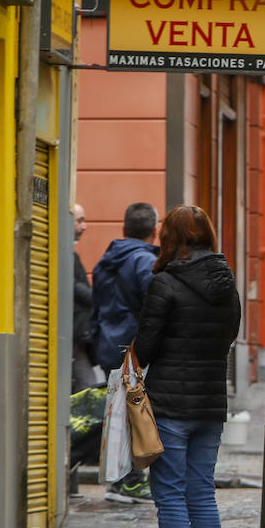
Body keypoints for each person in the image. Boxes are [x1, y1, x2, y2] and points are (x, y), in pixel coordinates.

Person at [131, 205, 241, 528]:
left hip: (171, 404)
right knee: (202, 492)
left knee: (171, 494)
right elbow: (230, 336)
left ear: (171, 238)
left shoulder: (165, 282)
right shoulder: (226, 282)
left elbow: (145, 346)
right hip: (211, 403)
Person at [91, 202, 160, 503]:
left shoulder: (108, 259)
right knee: (136, 412)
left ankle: (120, 478)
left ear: (124, 228)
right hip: (133, 347)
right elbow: (152, 307)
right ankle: (130, 479)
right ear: (154, 232)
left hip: (108, 342)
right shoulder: (143, 262)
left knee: (120, 412)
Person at [70, 203, 99, 393]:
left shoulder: (70, 254)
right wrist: (96, 298)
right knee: (86, 386)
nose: (84, 226)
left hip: (78, 335)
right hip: (75, 334)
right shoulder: (66, 256)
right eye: (80, 220)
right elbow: (73, 287)